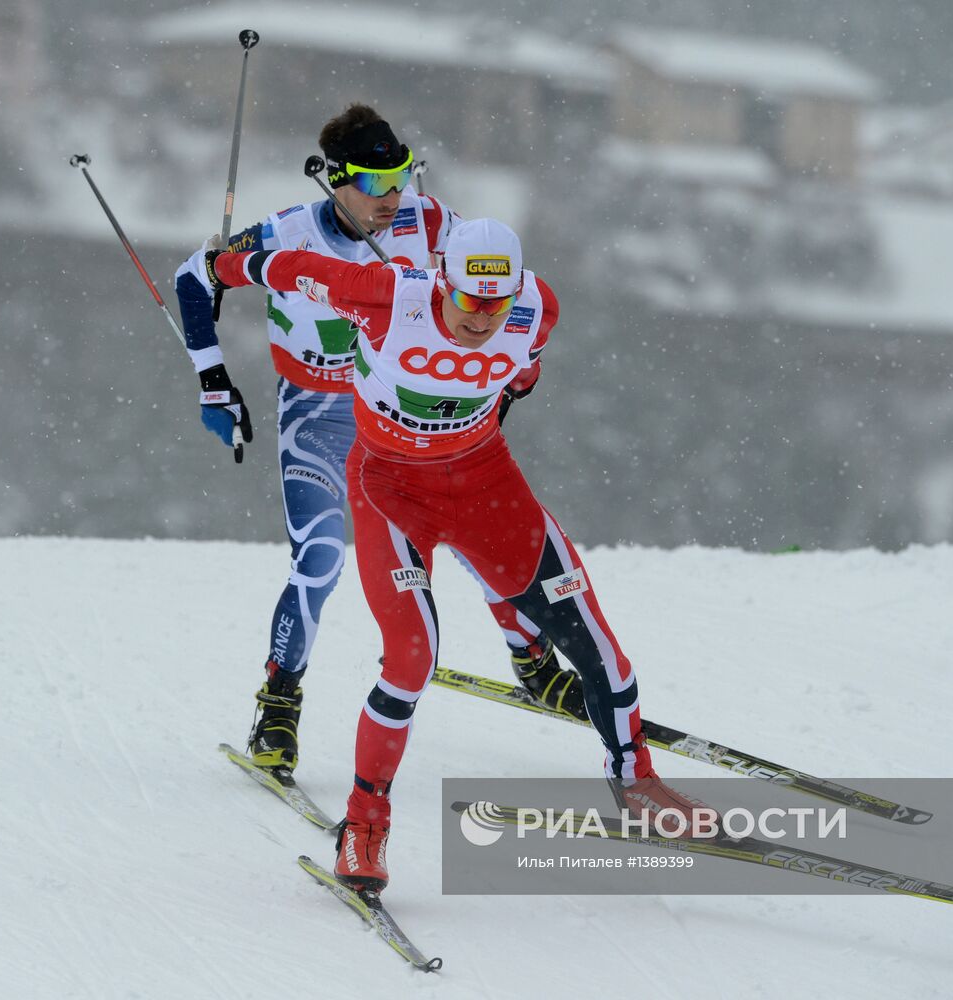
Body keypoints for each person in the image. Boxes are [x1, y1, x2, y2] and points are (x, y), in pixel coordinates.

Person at [190, 216, 717, 892]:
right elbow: (290, 269)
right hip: (389, 487)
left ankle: (636, 783)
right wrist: (221, 265)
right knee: (412, 659)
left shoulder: (537, 308)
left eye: (496, 305)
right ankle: (364, 826)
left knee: (602, 652)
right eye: (469, 301)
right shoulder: (388, 296)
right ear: (443, 282)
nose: (481, 319)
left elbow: (521, 371)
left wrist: (509, 387)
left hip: (484, 481)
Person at [173, 105, 585, 779]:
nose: (392, 199)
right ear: (334, 178)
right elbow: (199, 275)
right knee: (322, 556)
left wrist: (509, 377)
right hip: (321, 412)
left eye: (401, 177)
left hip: (407, 422)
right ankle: (278, 702)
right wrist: (213, 381)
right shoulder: (289, 233)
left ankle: (531, 659)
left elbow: (498, 292)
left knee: (480, 539)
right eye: (374, 183)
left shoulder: (427, 222)